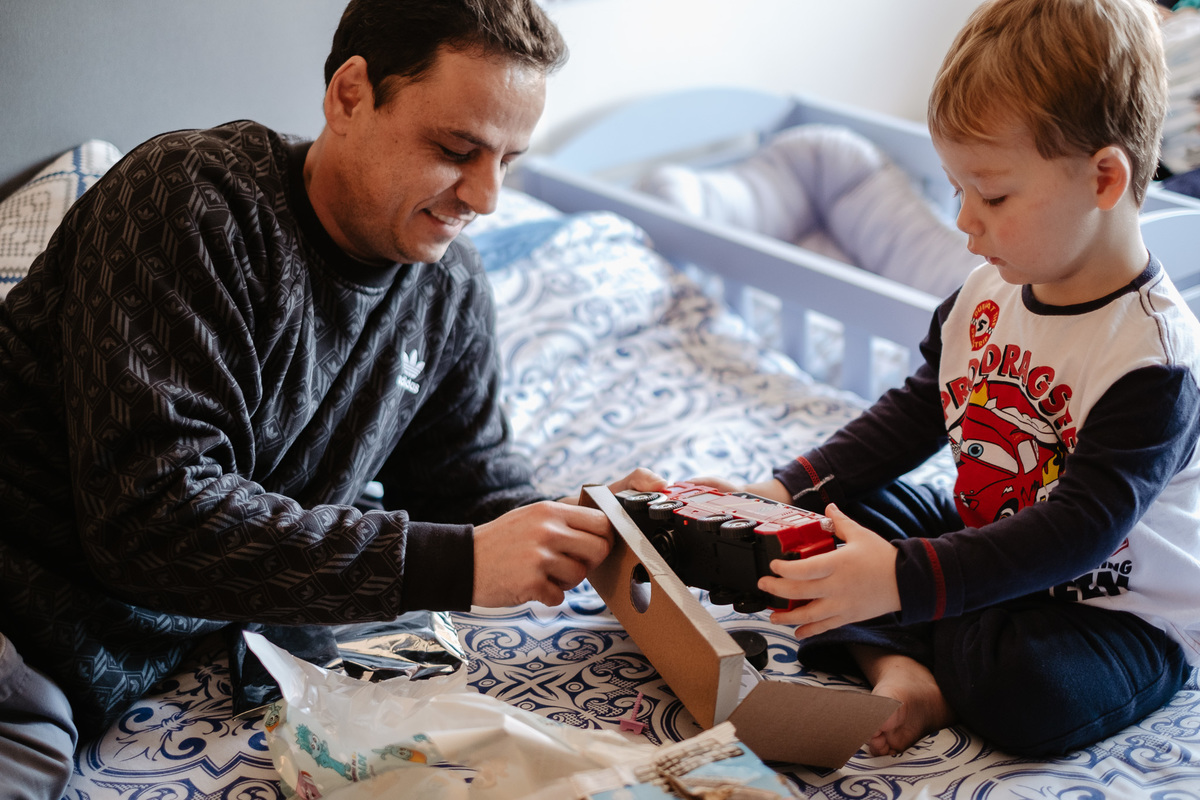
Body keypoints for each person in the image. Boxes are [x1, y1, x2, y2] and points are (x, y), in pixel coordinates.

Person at [0, 1, 662, 797]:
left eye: (509, 161)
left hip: (142, 656)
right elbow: (152, 519)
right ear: (351, 95)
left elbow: (467, 488)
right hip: (21, 629)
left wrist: (582, 524)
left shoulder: (446, 289)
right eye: (458, 149)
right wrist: (455, 561)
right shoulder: (190, 204)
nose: (486, 197)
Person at [700, 0, 1200, 759]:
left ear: (1103, 179)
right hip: (988, 543)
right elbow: (911, 413)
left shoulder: (1151, 361)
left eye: (992, 195)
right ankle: (906, 664)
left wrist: (899, 580)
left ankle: (902, 639)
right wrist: (780, 492)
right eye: (956, 189)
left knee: (1032, 694)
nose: (965, 221)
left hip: (1113, 609)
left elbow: (1079, 532)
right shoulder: (983, 294)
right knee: (821, 519)